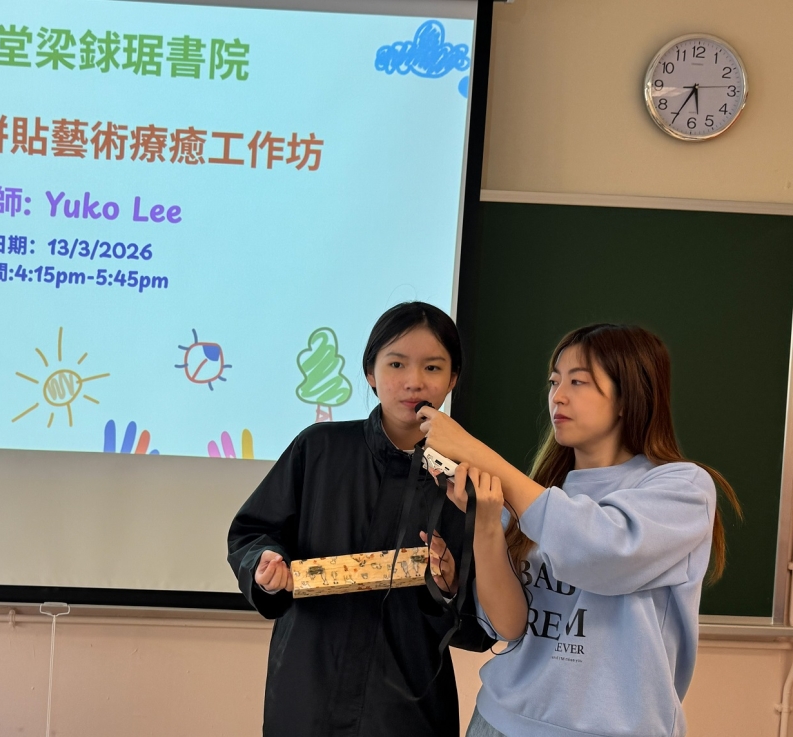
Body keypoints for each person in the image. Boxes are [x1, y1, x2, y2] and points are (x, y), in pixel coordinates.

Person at [419, 323, 742, 737]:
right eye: (554, 381)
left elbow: (601, 552)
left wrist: (477, 453)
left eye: (578, 381)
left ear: (628, 395)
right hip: (498, 720)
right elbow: (507, 627)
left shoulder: (682, 487)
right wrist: (486, 521)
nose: (558, 395)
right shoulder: (539, 495)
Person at [227, 301, 494, 737]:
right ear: (370, 372)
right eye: (396, 364)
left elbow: (487, 621)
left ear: (453, 379)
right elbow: (253, 531)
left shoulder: (471, 477)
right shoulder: (319, 448)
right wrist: (264, 564)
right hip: (307, 691)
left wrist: (450, 587)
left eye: (432, 367)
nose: (413, 381)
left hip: (408, 708)